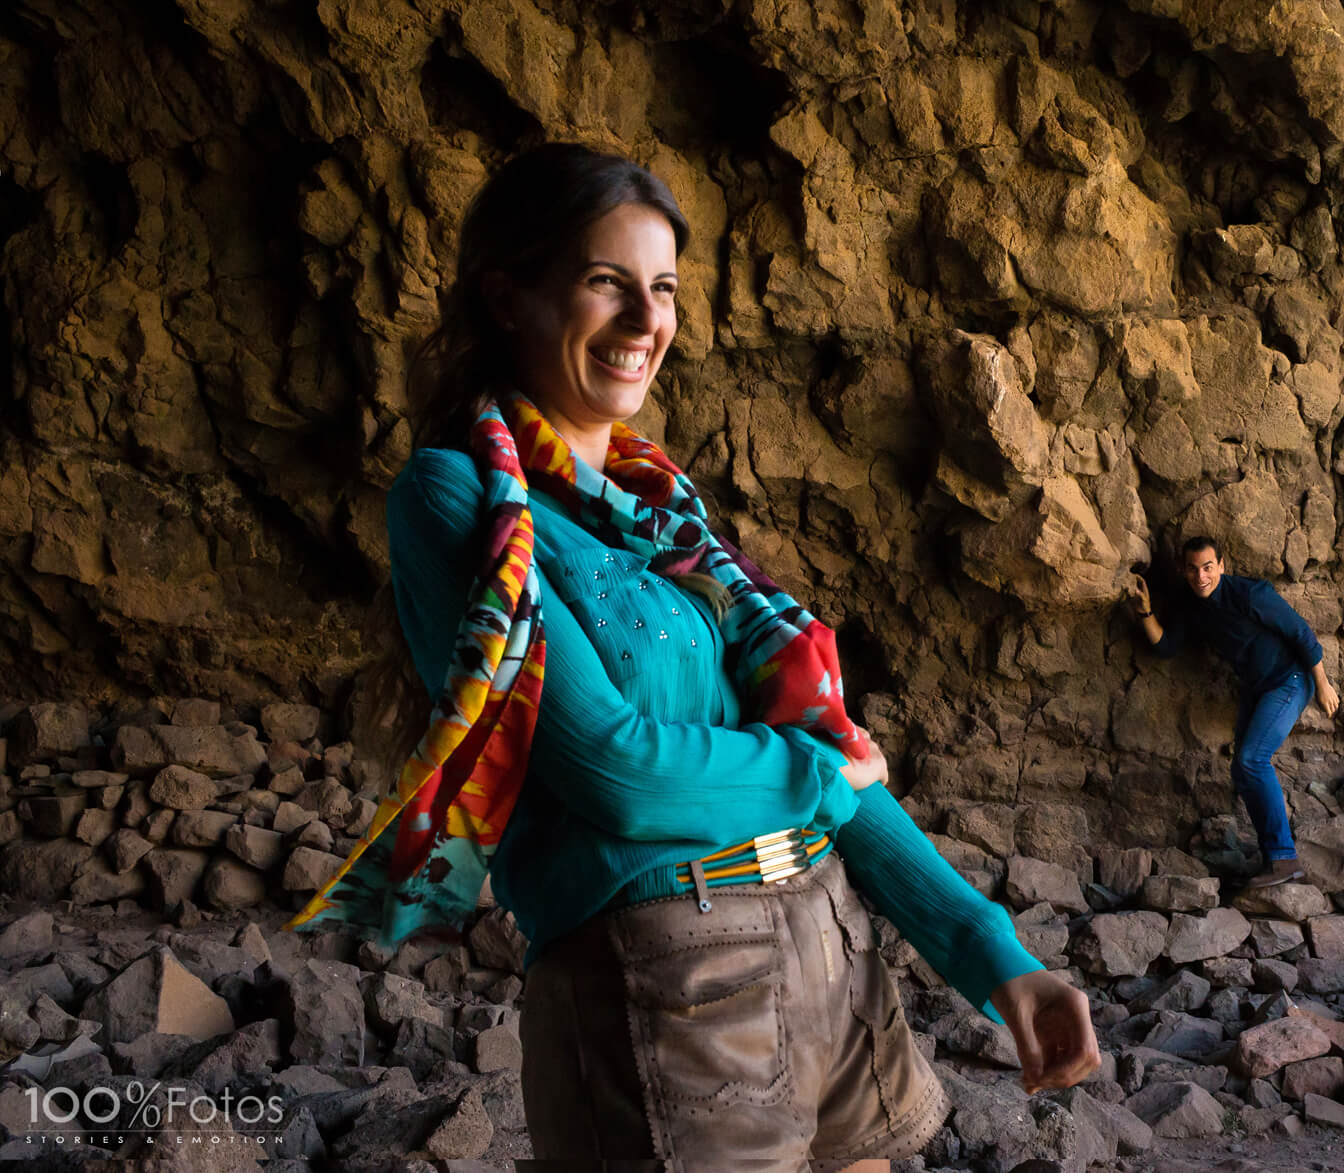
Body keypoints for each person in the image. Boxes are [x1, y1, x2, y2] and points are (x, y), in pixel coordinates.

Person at [285, 144, 1099, 1168]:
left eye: (662, 288)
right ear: (505, 296)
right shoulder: (457, 500)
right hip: (666, 981)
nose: (644, 322)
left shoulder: (666, 512)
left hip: (827, 946)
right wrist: (815, 775)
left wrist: (993, 957)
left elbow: (825, 755)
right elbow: (615, 771)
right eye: (603, 283)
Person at [1123, 535, 1340, 888]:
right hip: (1257, 688)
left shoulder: (1250, 594)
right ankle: (1273, 857)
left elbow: (1300, 633)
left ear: (1221, 566)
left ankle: (1285, 859)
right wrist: (1145, 611)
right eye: (1193, 570)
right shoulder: (1190, 606)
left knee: (1252, 760)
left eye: (1208, 568)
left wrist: (1323, 684)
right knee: (1243, 769)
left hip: (1291, 678)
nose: (1201, 577)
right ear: (1183, 570)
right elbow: (1165, 646)